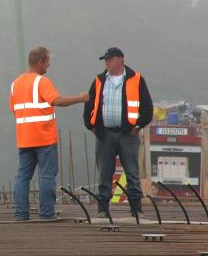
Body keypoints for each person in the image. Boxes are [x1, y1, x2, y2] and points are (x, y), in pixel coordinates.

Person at [10, 47, 89, 221]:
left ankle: (21, 214)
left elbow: (15, 111)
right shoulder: (42, 81)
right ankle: (47, 214)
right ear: (39, 62)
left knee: (23, 176)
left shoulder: (15, 84)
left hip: (24, 138)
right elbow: (57, 101)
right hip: (44, 137)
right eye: (47, 61)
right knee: (46, 175)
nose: (49, 65)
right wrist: (81, 98)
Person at [83, 47, 153, 217]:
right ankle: (103, 209)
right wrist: (92, 126)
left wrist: (137, 126)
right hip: (104, 134)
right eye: (105, 60)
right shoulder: (99, 81)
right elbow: (89, 105)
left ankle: (136, 209)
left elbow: (147, 107)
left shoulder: (136, 80)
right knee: (104, 173)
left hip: (127, 135)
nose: (106, 62)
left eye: (109, 59)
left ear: (121, 59)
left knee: (132, 173)